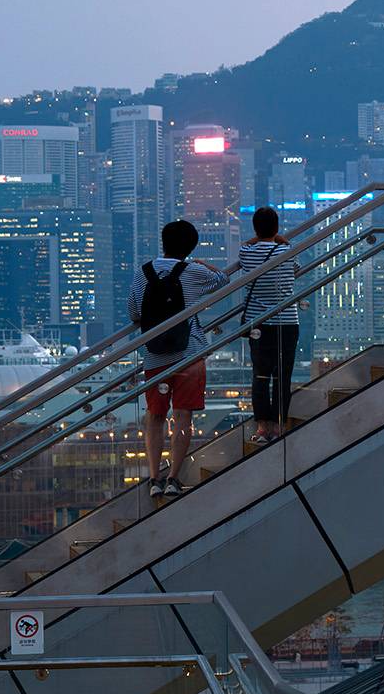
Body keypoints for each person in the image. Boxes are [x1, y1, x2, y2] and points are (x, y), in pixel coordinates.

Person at [129, 220, 227, 500]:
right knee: (183, 416)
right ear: (191, 246)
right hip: (190, 354)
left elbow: (134, 313)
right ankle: (173, 478)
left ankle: (154, 478)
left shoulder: (143, 273)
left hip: (155, 355)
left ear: (163, 242)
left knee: (155, 417)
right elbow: (222, 280)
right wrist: (203, 264)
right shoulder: (193, 271)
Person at [237, 207, 302, 446]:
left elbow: (246, 244)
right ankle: (279, 426)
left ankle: (262, 427)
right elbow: (296, 270)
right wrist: (281, 240)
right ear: (277, 228)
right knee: (283, 376)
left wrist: (259, 238)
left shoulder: (246, 252)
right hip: (287, 322)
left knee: (261, 376)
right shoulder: (288, 250)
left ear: (255, 229)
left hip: (259, 324)